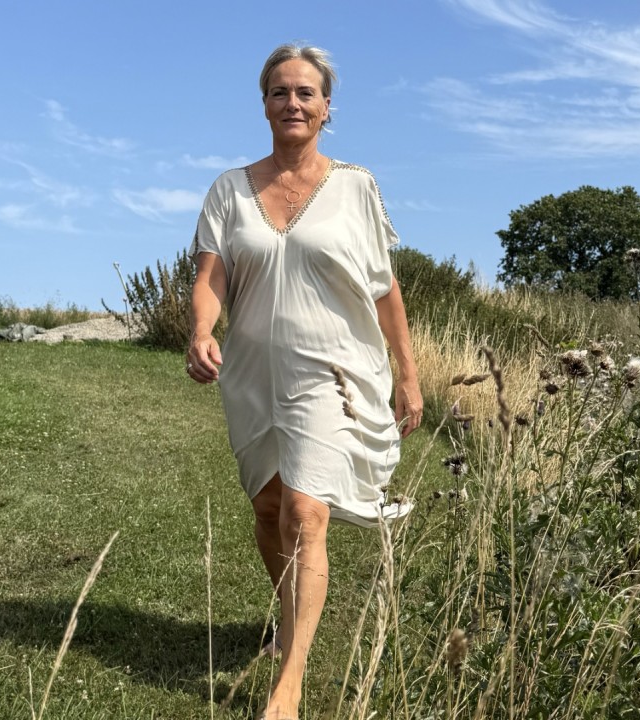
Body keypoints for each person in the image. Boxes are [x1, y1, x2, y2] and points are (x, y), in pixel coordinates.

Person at [184, 43, 421, 720]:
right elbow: (211, 275)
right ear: (264, 104)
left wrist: (408, 374)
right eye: (280, 92)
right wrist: (201, 330)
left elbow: (384, 288)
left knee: (305, 513)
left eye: (305, 93)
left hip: (332, 371)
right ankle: (289, 616)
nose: (293, 103)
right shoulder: (229, 190)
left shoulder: (355, 187)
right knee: (268, 509)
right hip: (253, 373)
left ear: (326, 108)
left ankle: (287, 688)